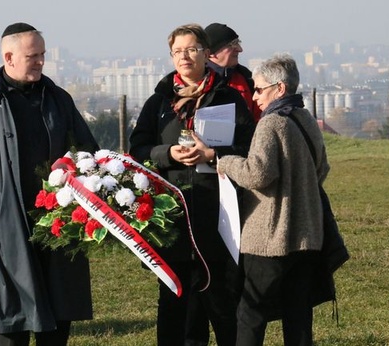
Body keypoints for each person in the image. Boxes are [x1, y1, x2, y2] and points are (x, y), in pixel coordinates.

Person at [0, 23, 98, 346]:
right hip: (11, 229)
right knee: (12, 322)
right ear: (9, 57)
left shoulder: (59, 99)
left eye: (43, 55)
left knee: (59, 322)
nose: (41, 62)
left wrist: (76, 205)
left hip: (59, 227)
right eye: (33, 56)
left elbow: (88, 153)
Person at [129, 23, 255, 346]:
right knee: (173, 308)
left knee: (223, 306)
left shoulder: (227, 97)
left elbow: (250, 147)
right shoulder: (158, 102)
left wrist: (213, 154)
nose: (184, 56)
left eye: (192, 49)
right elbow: (138, 150)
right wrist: (167, 153)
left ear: (205, 53)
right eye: (177, 51)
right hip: (172, 221)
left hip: (217, 219)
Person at [217, 54, 330, 346]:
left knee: (251, 312)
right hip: (307, 236)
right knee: (298, 313)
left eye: (259, 89)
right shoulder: (305, 118)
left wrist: (225, 161)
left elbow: (257, 174)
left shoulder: (270, 124)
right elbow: (322, 168)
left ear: (279, 89)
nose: (255, 97)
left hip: (270, 239)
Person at [204, 23, 262, 122]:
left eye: (238, 43)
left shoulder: (247, 78)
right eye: (232, 44)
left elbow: (259, 116)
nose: (240, 49)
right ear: (211, 53)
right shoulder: (196, 79)